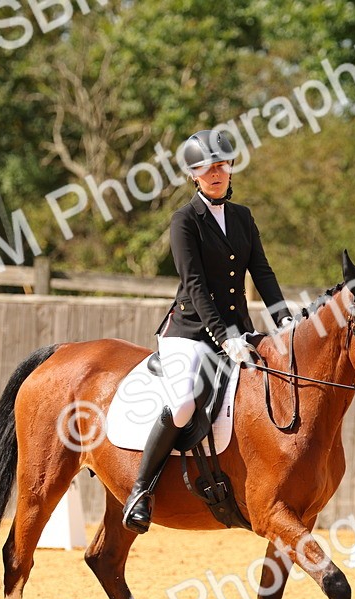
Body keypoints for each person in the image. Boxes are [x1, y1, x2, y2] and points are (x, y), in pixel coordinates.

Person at [122, 129, 294, 534]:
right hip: (191, 333)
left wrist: (284, 319)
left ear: (231, 168)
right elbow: (195, 284)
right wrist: (225, 336)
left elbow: (262, 273)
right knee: (183, 405)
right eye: (205, 167)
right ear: (193, 175)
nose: (214, 172)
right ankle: (141, 492)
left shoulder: (242, 217)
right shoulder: (184, 220)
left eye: (221, 164)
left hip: (239, 333)